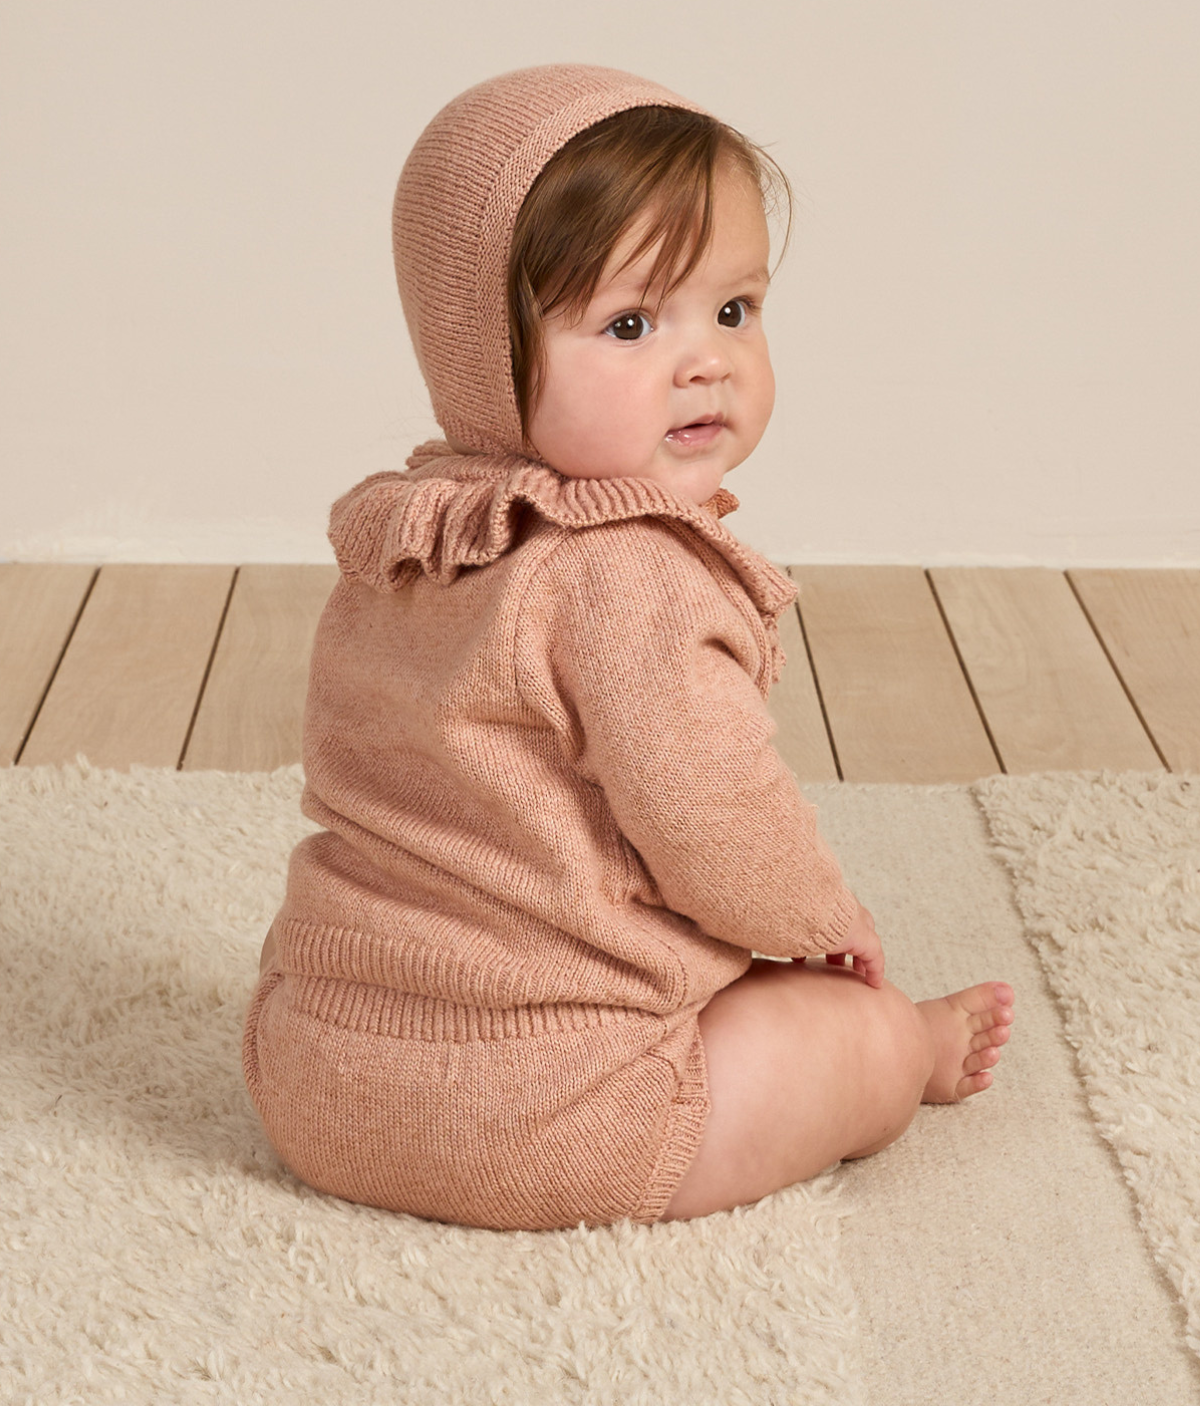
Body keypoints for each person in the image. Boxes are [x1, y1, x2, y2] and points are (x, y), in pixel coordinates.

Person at [242, 63, 1014, 1231]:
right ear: (487, 355)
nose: (704, 360)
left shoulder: (413, 540)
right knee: (836, 1024)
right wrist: (822, 922)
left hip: (314, 1074)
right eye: (632, 323)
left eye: (735, 310)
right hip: (549, 1112)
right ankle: (913, 1049)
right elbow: (715, 814)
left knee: (684, 954)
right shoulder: (627, 573)